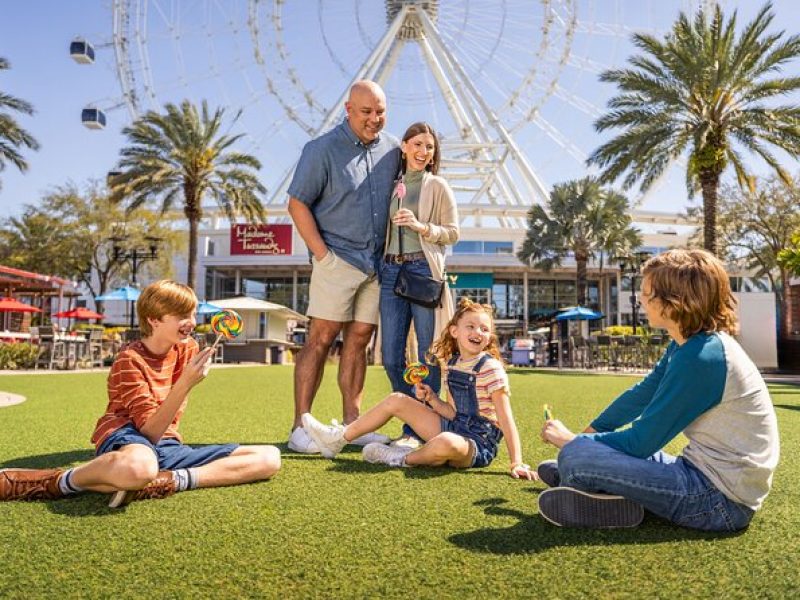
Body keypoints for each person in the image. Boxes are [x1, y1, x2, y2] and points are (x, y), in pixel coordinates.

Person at [537, 249, 780, 531]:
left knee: (576, 457)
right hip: (698, 472)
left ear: (674, 302)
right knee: (578, 454)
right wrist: (586, 434)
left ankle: (587, 479)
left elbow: (641, 442)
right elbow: (642, 393)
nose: (641, 299)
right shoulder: (686, 345)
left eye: (647, 293)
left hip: (719, 502)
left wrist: (571, 443)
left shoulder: (703, 358)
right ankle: (595, 485)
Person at [0, 280, 281, 507]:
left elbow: (161, 437)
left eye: (193, 314)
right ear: (154, 320)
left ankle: (171, 480)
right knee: (139, 467)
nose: (192, 322)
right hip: (126, 435)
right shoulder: (129, 360)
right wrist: (185, 383)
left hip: (166, 445)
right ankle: (58, 481)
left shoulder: (187, 349)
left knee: (268, 458)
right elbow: (147, 433)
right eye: (183, 315)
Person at [286, 80, 401, 453]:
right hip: (337, 258)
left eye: (380, 111)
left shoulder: (393, 150)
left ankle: (353, 423)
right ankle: (300, 425)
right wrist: (322, 255)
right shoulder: (321, 150)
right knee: (320, 338)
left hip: (375, 264)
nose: (374, 119)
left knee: (359, 340)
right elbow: (297, 204)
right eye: (366, 112)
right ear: (348, 109)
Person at [301, 298, 537, 479]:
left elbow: (506, 420)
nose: (478, 332)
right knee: (397, 399)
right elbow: (452, 413)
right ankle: (338, 439)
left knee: (446, 442)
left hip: (477, 443)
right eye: (471, 326)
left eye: (484, 329)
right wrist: (433, 400)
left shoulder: (491, 369)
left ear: (490, 337)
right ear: (455, 331)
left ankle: (402, 458)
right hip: (453, 426)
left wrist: (516, 462)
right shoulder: (452, 364)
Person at [380, 122, 459, 449]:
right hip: (389, 271)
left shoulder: (437, 185)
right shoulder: (390, 184)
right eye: (418, 144)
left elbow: (453, 232)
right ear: (404, 146)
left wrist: (421, 226)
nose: (424, 151)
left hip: (423, 269)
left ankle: (418, 430)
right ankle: (415, 416)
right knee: (390, 356)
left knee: (429, 353)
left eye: (430, 147)